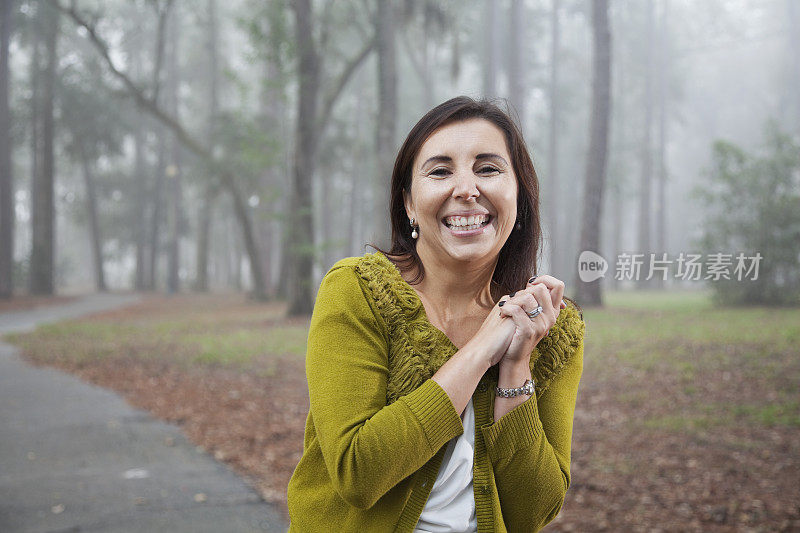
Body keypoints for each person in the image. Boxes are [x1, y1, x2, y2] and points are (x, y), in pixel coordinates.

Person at [286, 96, 585, 533]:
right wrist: (484, 348)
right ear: (409, 203)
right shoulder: (359, 291)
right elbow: (357, 472)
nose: (466, 189)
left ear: (518, 193)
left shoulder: (551, 326)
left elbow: (532, 512)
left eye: (488, 169)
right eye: (440, 171)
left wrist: (516, 365)